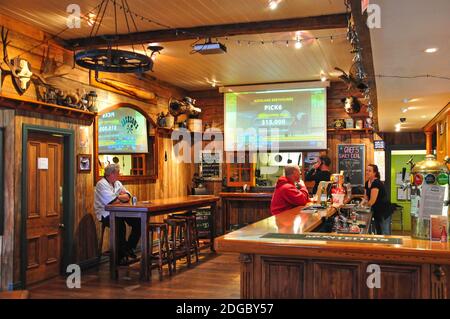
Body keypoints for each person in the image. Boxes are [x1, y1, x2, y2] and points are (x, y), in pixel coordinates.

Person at [94, 164, 141, 264]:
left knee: (138, 222)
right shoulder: (101, 184)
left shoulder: (117, 183)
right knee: (119, 225)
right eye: (117, 173)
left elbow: (128, 196)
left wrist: (119, 198)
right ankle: (119, 258)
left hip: (121, 211)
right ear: (111, 174)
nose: (119, 175)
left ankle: (129, 248)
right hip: (106, 214)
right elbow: (112, 201)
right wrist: (119, 198)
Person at [364, 164, 392, 235]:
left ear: (374, 173)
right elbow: (366, 198)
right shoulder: (367, 183)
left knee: (385, 232)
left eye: (369, 171)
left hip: (384, 210)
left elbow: (372, 201)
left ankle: (387, 246)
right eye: (366, 170)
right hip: (377, 210)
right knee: (379, 231)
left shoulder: (376, 183)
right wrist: (360, 205)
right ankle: (380, 246)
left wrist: (363, 207)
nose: (367, 172)